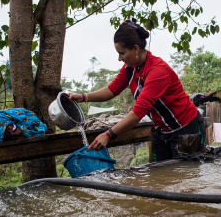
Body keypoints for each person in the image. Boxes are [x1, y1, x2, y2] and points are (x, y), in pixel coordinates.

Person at [68, 19, 205, 162]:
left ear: (135, 49)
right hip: (161, 130)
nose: (119, 58)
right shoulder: (130, 68)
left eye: (122, 53)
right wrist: (82, 97)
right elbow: (111, 90)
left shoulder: (157, 71)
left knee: (187, 176)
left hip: (186, 128)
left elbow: (138, 112)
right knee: (161, 176)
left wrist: (108, 134)